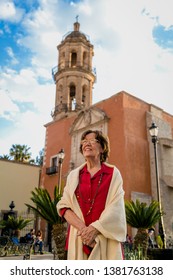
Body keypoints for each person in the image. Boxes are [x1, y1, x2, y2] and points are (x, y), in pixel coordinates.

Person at [57, 129, 127, 260]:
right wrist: (85, 232)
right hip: (79, 239)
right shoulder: (73, 176)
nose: (86, 144)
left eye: (92, 141)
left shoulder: (113, 174)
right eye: (84, 141)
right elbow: (63, 207)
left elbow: (116, 209)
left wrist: (95, 229)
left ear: (102, 148)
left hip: (106, 240)